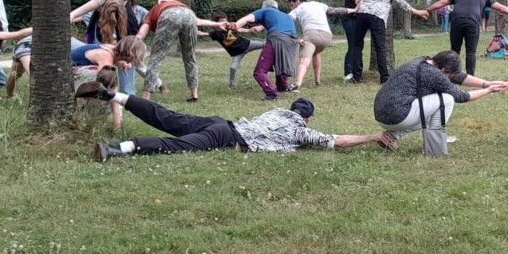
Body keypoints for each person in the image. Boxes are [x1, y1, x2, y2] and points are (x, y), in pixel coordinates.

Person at [76, 86, 396, 160]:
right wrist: (372, 136)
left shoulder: (275, 113)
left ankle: (114, 95)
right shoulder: (300, 130)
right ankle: (116, 149)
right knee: (177, 145)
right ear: (307, 117)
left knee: (166, 117)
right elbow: (335, 141)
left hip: (220, 122)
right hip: (227, 138)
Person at [373, 50, 506, 142]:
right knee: (446, 100)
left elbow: (458, 77)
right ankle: (435, 142)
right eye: (450, 75)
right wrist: (489, 90)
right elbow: (461, 97)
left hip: (382, 115)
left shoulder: (424, 61)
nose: (451, 78)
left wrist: (485, 83)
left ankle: (392, 137)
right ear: (443, 70)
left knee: (433, 106)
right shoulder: (434, 74)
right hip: (397, 117)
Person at [424, 0, 508, 76]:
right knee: (471, 52)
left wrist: (427, 10)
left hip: (457, 21)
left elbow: (442, 2)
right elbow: (502, 8)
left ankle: (451, 75)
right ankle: (470, 77)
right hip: (472, 22)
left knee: (455, 50)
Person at [350, 0, 429, 84]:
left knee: (357, 46)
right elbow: (400, 1)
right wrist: (416, 11)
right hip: (378, 16)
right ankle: (384, 78)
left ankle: (356, 77)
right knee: (380, 48)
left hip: (362, 15)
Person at [135, 0, 222, 103]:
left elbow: (140, 36)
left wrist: (131, 48)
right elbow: (198, 21)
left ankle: (146, 97)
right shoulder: (173, 4)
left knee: (156, 58)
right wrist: (217, 24)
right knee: (190, 57)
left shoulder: (149, 16)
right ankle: (194, 94)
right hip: (190, 14)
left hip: (169, 15)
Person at [230, 0, 300, 101]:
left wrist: (234, 25)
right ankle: (282, 87)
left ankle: (271, 94)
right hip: (293, 41)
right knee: (281, 63)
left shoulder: (266, 10)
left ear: (264, 7)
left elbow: (247, 19)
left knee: (259, 71)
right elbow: (266, 26)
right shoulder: (286, 16)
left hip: (277, 38)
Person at [71, 36, 147, 128]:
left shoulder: (112, 49)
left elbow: (114, 60)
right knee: (108, 87)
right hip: (71, 73)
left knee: (109, 76)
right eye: (133, 59)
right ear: (129, 55)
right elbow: (110, 87)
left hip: (77, 69)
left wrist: (122, 63)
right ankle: (81, 114)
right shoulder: (105, 58)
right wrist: (117, 124)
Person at [287, 0, 354, 90]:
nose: (292, 8)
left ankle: (297, 84)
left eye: (292, 5)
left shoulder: (298, 8)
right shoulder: (319, 5)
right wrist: (354, 9)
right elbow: (335, 10)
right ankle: (317, 81)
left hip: (311, 35)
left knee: (304, 60)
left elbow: (286, 20)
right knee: (315, 52)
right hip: (327, 37)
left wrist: (295, 38)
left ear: (297, 0)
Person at [4, 35, 84, 100]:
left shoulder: (81, 49)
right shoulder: (25, 48)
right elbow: (33, 74)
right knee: (17, 73)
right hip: (28, 44)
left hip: (58, 43)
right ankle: (10, 95)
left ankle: (10, 95)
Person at [201, 12, 264, 90]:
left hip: (248, 45)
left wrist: (249, 30)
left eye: (226, 21)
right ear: (216, 23)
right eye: (222, 22)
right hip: (237, 53)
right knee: (233, 68)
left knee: (265, 45)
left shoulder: (229, 27)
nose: (225, 23)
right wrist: (191, 31)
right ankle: (232, 85)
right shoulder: (216, 34)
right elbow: (203, 34)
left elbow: (239, 29)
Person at [342, 0, 373, 82]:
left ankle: (355, 71)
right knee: (353, 46)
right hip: (351, 18)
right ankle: (348, 72)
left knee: (357, 46)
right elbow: (358, 3)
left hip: (358, 19)